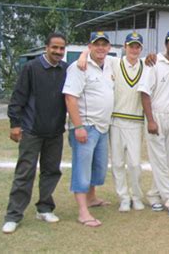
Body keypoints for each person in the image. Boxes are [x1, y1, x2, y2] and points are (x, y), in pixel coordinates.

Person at [2, 33, 68, 234]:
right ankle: (13, 215)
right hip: (31, 131)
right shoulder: (31, 68)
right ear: (46, 47)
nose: (58, 51)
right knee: (25, 173)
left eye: (61, 48)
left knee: (51, 171)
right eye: (54, 47)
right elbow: (18, 97)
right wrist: (15, 124)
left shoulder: (66, 69)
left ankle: (45, 208)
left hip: (55, 131)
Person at [77, 32, 146, 212]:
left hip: (135, 122)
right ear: (124, 47)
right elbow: (95, 53)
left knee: (135, 164)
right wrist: (83, 56)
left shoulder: (146, 64)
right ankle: (123, 197)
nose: (134, 49)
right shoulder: (114, 63)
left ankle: (137, 196)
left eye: (137, 46)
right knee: (117, 163)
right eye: (131, 46)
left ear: (141, 49)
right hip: (115, 121)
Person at [63, 31, 114, 227]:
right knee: (82, 169)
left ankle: (92, 198)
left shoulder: (109, 64)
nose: (101, 48)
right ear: (90, 46)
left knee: (99, 168)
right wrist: (78, 127)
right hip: (86, 126)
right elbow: (70, 98)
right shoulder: (78, 67)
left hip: (102, 126)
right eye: (96, 44)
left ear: (109, 47)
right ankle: (83, 212)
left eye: (104, 44)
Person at [138, 30, 169, 217]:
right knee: (158, 159)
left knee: (167, 160)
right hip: (155, 115)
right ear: (166, 44)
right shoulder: (154, 62)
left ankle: (154, 194)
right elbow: (144, 93)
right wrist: (150, 120)